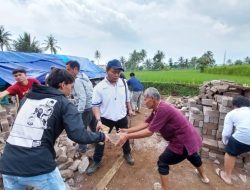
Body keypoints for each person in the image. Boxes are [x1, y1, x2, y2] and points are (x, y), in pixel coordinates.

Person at [0, 69, 109, 190]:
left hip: (8, 164)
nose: (71, 90)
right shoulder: (64, 103)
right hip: (38, 164)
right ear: (63, 85)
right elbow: (78, 135)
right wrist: (101, 136)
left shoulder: (26, 99)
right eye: (71, 86)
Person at [116, 87, 209, 190]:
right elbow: (146, 123)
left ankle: (165, 188)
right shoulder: (159, 107)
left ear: (152, 98)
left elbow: (149, 132)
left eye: (145, 99)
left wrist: (127, 136)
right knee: (192, 155)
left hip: (182, 141)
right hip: (190, 138)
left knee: (162, 162)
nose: (144, 102)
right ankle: (204, 177)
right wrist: (127, 131)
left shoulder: (162, 109)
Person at [86, 59, 134, 175]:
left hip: (121, 117)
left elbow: (127, 99)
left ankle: (127, 153)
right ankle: (97, 161)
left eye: (118, 72)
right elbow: (95, 106)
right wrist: (98, 120)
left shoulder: (123, 83)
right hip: (106, 119)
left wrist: (130, 109)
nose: (116, 74)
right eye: (114, 71)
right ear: (107, 71)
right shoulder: (99, 87)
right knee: (101, 140)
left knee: (124, 137)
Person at [216, 95, 250, 185]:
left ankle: (227, 177)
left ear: (235, 105)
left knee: (231, 153)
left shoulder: (232, 113)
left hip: (242, 138)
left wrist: (226, 143)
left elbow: (226, 133)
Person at [66, 60, 96, 153]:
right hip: (91, 107)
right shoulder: (85, 78)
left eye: (68, 69)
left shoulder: (78, 81)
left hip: (85, 109)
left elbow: (82, 98)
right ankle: (97, 141)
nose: (67, 71)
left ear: (75, 69)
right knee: (93, 127)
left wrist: (79, 112)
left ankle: (82, 149)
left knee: (81, 130)